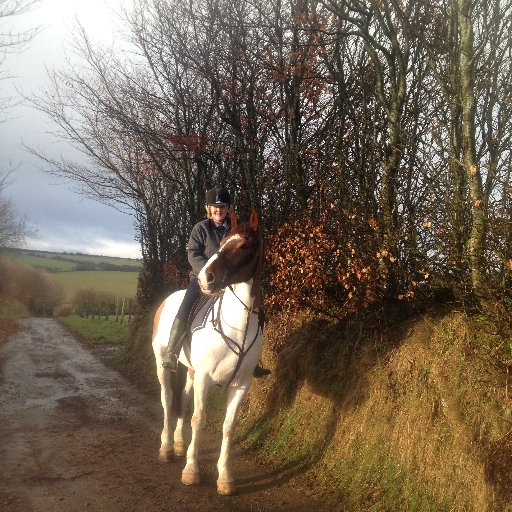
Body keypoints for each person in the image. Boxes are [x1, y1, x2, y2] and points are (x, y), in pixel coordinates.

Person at [162, 187, 271, 378]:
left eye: (222, 206)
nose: (218, 210)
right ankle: (172, 352)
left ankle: (252, 360)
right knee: (185, 308)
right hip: (202, 279)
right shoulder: (201, 228)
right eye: (215, 207)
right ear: (208, 209)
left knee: (256, 312)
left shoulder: (234, 228)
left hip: (230, 281)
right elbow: (192, 254)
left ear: (228, 208)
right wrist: (207, 271)